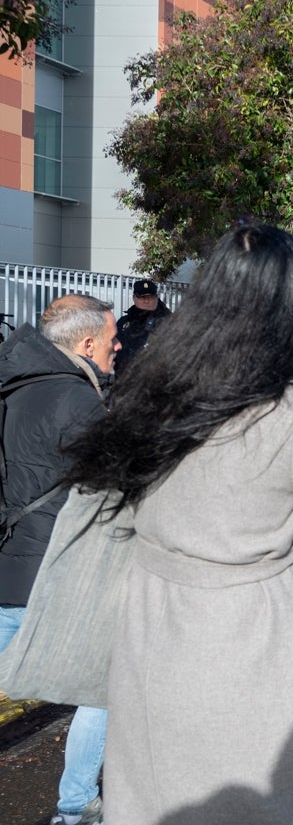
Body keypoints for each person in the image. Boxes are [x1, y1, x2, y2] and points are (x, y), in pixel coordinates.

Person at [60, 221, 293, 824]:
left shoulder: (158, 385)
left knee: (165, 783)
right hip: (251, 635)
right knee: (280, 794)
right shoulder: (291, 410)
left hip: (155, 623)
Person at [0, 294, 120, 825]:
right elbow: (117, 487)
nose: (119, 348)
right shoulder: (77, 401)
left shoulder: (12, 386)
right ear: (87, 343)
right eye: (113, 339)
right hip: (52, 576)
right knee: (101, 683)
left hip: (8, 565)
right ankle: (74, 808)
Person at [113, 278, 171, 377]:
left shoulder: (169, 322)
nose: (146, 301)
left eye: (150, 297)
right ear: (134, 298)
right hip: (123, 379)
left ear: (156, 298)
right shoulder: (124, 322)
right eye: (141, 297)